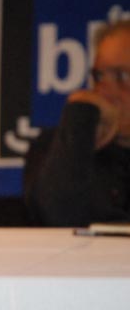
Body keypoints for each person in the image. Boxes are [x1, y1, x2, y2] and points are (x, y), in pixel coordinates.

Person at [24, 19, 130, 226]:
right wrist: (80, 111)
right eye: (99, 75)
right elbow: (57, 218)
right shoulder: (58, 148)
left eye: (123, 76)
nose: (105, 89)